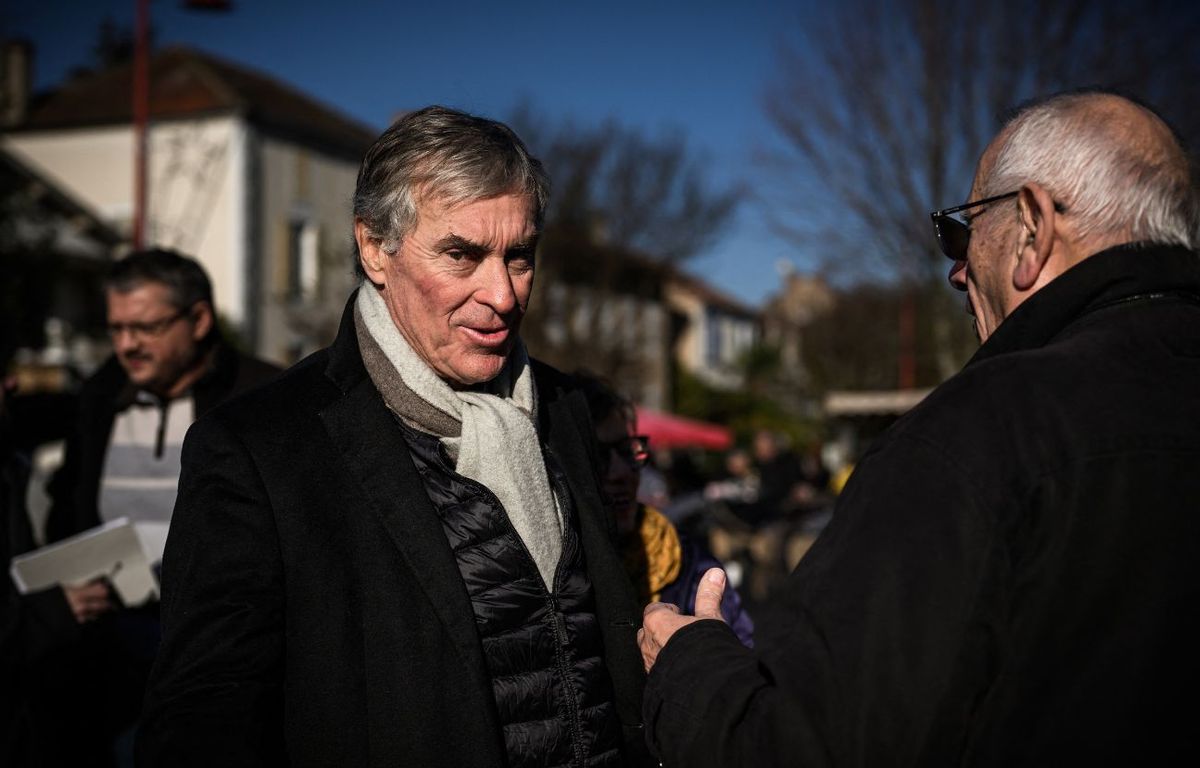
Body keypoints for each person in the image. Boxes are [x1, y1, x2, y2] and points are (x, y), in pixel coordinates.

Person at [637, 90, 1200, 766]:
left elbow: (800, 749)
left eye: (960, 233)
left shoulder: (981, 433)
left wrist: (689, 666)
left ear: (1031, 227)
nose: (956, 271)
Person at [138, 106, 651, 768]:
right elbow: (203, 721)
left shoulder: (567, 409)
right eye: (461, 255)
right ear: (375, 248)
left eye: (518, 256)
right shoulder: (258, 450)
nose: (500, 293)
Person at [17, 249, 279, 767]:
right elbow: (71, 499)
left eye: (146, 327)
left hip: (221, 649)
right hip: (110, 644)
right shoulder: (101, 394)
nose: (126, 345)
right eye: (115, 329)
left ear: (199, 319)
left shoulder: (263, 396)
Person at [575, 371, 754, 647]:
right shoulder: (543, 575)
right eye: (597, 456)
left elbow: (741, 662)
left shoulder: (687, 562)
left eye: (627, 450)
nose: (622, 471)